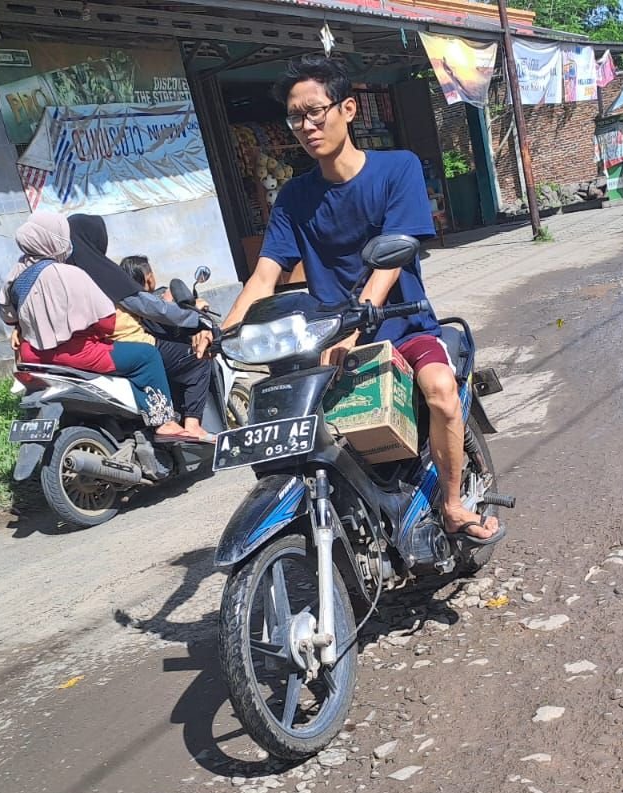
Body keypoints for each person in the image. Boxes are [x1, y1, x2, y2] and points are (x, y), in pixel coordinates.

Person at [210, 53, 501, 546]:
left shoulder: (398, 168)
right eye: (295, 116)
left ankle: (451, 506)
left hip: (402, 326)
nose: (305, 125)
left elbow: (391, 258)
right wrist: (224, 330)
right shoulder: (294, 198)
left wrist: (357, 322)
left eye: (315, 111)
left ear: (347, 109)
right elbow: (264, 276)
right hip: (326, 336)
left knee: (442, 394)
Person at [0, 213, 175, 429]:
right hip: (76, 354)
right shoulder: (69, 274)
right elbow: (107, 322)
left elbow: (9, 315)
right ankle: (165, 422)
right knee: (147, 356)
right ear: (53, 239)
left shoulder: (16, 275)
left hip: (31, 357)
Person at [66, 214, 207, 443]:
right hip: (125, 344)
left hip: (85, 349)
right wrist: (191, 319)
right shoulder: (101, 270)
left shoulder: (64, 273)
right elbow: (150, 307)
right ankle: (191, 424)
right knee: (197, 358)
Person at [119, 253, 226, 440]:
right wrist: (193, 312)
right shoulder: (140, 299)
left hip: (120, 351)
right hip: (144, 349)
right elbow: (166, 312)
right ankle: (193, 425)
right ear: (148, 277)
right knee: (198, 359)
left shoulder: (122, 293)